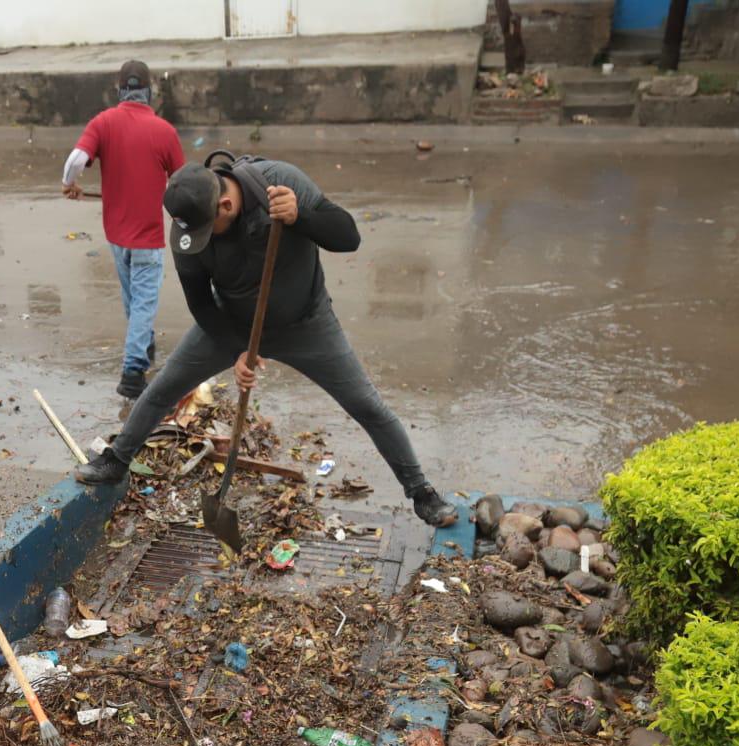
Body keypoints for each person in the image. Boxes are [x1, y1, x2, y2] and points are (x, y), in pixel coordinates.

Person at [73, 155, 460, 528]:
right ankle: (116, 461)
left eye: (208, 230)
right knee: (162, 389)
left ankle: (422, 494)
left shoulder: (280, 183)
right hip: (229, 323)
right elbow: (200, 302)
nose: (200, 240)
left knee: (368, 407)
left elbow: (349, 237)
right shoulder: (190, 232)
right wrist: (239, 350)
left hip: (306, 324)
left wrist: (299, 217)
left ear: (225, 204)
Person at [61, 59, 185, 401]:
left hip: (117, 236)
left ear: (120, 89)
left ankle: (143, 346)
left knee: (134, 298)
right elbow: (184, 184)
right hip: (147, 237)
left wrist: (68, 184)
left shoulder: (103, 123)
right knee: (143, 302)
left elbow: (75, 160)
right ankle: (133, 372)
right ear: (150, 92)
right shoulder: (164, 131)